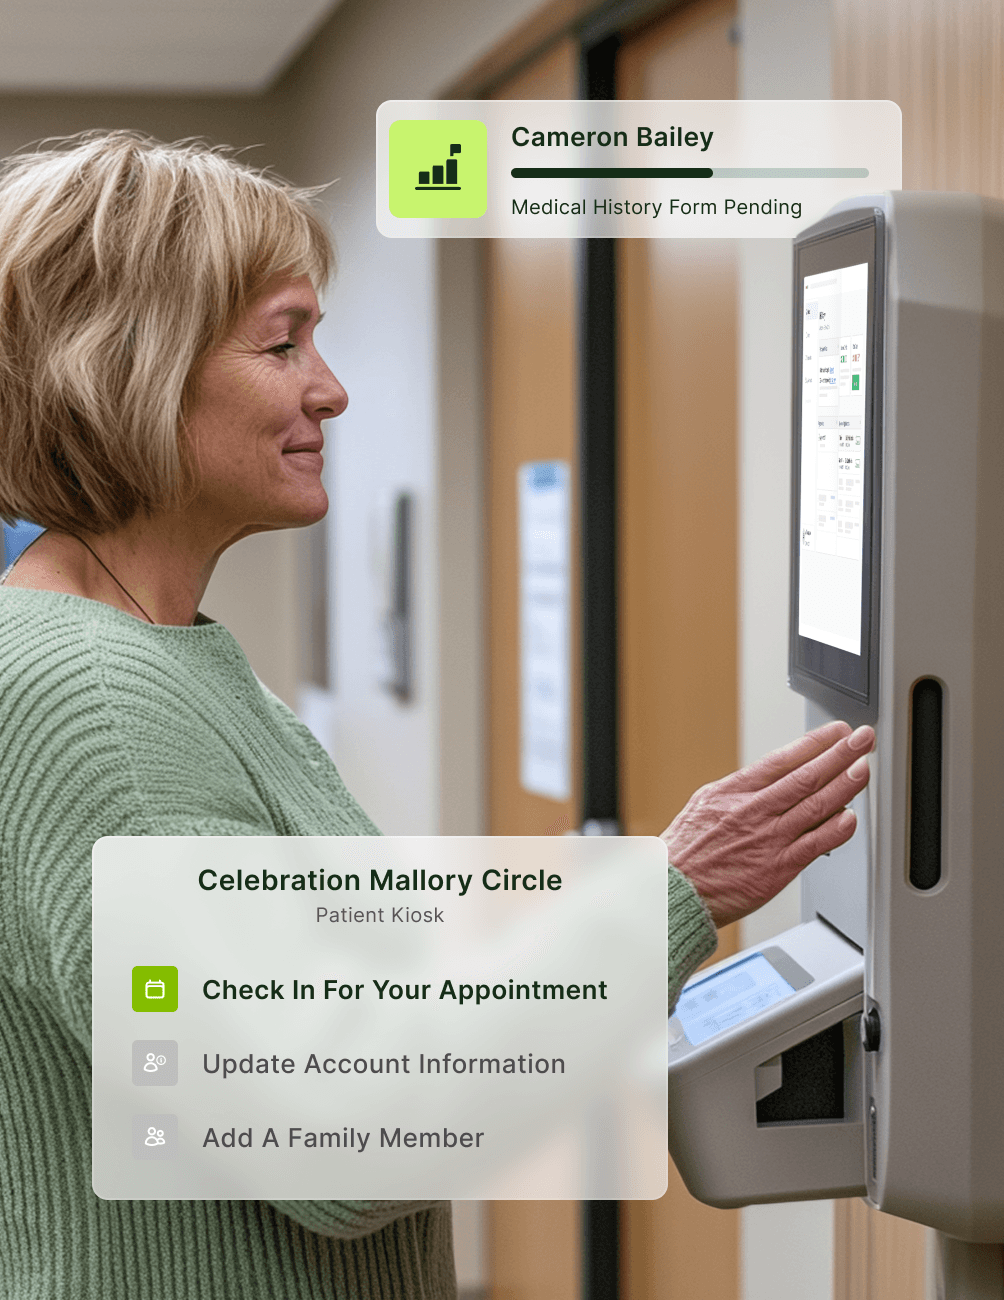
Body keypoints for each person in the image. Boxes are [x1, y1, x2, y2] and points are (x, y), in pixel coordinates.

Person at [0, 131, 872, 1300]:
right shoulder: (97, 698)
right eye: (283, 340)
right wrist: (675, 890)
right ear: (133, 366)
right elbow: (336, 1138)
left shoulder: (172, 655)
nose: (331, 387)